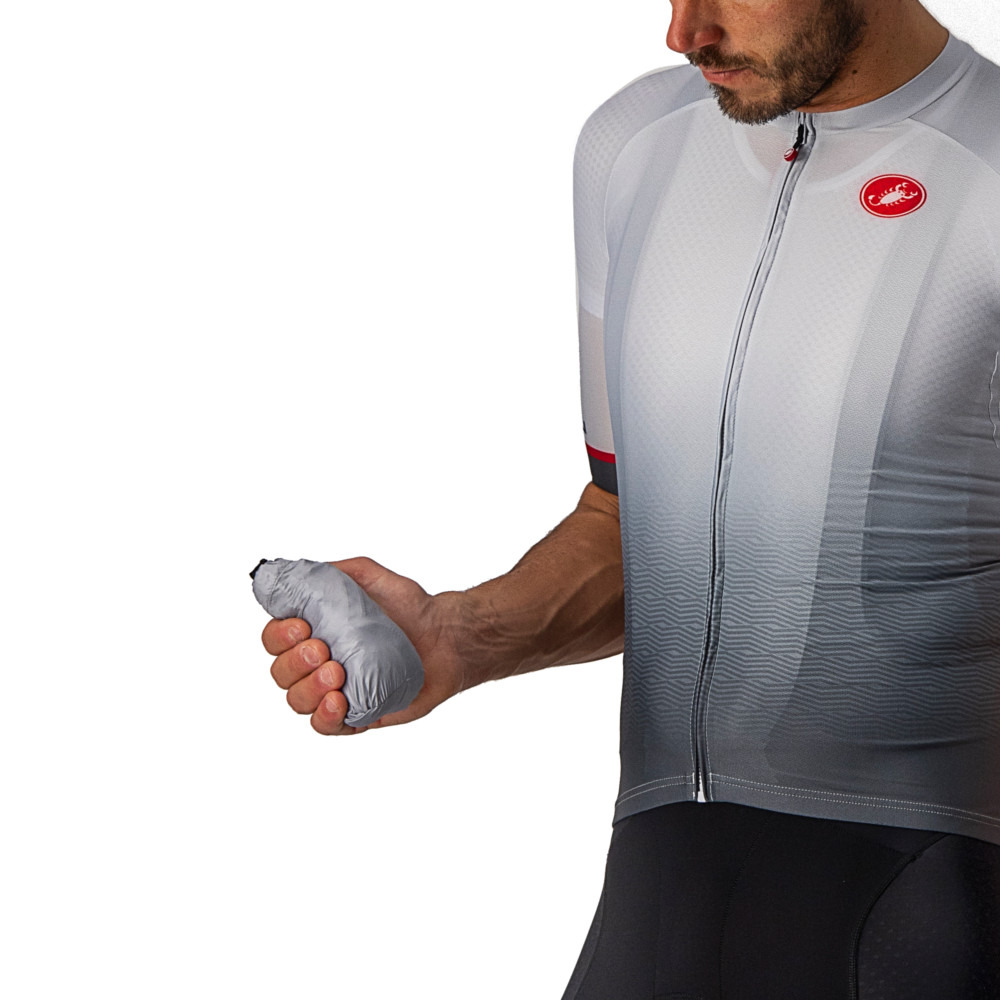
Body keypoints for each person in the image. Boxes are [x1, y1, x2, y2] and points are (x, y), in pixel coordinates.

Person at [260, 0, 1000, 995]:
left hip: (931, 902)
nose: (685, 32)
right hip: (655, 899)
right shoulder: (636, 148)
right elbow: (623, 521)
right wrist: (457, 636)